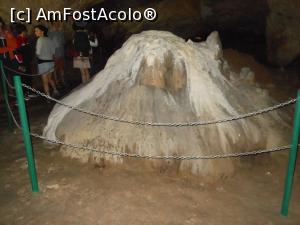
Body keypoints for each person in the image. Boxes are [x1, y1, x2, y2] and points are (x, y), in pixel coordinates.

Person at [34, 24, 59, 97]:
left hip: (43, 63)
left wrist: (35, 56)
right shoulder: (49, 40)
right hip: (50, 62)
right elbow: (53, 52)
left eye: (36, 31)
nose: (35, 32)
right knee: (50, 78)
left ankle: (48, 97)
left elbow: (38, 53)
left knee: (45, 82)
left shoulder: (39, 40)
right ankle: (55, 90)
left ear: (42, 32)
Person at [49, 21, 66, 87]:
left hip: (61, 53)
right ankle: (57, 82)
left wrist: (61, 33)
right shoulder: (50, 33)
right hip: (54, 54)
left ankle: (63, 80)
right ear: (52, 24)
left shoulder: (60, 32)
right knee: (55, 69)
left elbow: (63, 42)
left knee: (61, 68)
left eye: (58, 23)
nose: (57, 24)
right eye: (55, 23)